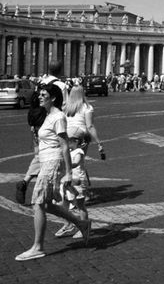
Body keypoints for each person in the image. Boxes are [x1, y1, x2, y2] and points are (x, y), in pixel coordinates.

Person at [15, 83, 92, 262]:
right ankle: (82, 224)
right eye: (40, 94)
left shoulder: (57, 117)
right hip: (46, 163)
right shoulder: (48, 116)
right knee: (47, 204)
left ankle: (38, 247)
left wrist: (68, 173)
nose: (40, 97)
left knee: (38, 202)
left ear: (54, 98)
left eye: (44, 95)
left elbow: (64, 145)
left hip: (52, 163)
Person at [15, 60, 65, 205]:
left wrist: (32, 123)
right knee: (53, 154)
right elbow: (64, 106)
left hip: (36, 123)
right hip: (52, 122)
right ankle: (55, 193)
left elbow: (34, 103)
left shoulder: (40, 82)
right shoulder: (61, 86)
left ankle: (26, 182)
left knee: (39, 154)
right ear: (60, 70)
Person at [55, 126, 90, 238]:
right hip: (66, 182)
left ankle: (84, 226)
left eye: (67, 140)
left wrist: (66, 164)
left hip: (78, 182)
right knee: (64, 205)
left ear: (75, 141)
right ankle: (68, 224)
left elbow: (76, 162)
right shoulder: (67, 151)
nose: (65, 142)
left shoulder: (79, 151)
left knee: (80, 206)